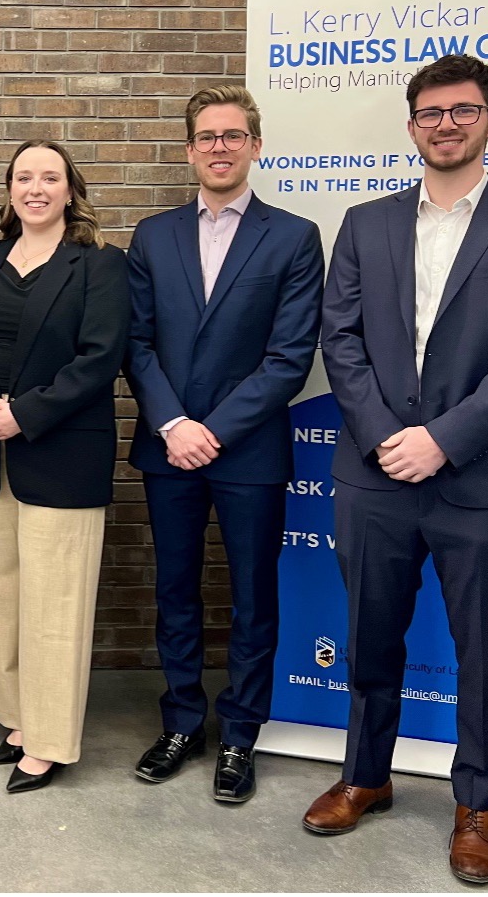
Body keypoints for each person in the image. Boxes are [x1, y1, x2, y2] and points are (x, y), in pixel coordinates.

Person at [303, 54, 488, 885]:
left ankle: (477, 804)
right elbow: (340, 339)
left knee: (485, 650)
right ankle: (366, 774)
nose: (446, 124)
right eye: (431, 112)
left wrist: (443, 439)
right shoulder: (365, 222)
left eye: (463, 111)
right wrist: (392, 434)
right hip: (374, 469)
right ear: (412, 124)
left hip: (484, 478)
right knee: (369, 635)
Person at [124, 86, 324, 803]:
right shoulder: (152, 235)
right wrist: (176, 425)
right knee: (175, 589)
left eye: (233, 135)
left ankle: (241, 732)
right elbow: (138, 343)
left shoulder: (294, 236)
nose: (219, 147)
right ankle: (183, 721)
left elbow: (290, 356)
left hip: (250, 451)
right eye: (206, 136)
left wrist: (214, 429)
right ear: (189, 150)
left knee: (251, 597)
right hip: (168, 447)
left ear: (255, 147)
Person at [0, 140, 130, 793]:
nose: (36, 188)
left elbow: (99, 359)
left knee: (54, 604)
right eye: (24, 177)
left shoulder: (98, 265)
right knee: (3, 596)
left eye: (50, 177)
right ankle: (19, 718)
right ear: (9, 189)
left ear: (70, 190)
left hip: (61, 452)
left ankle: (52, 739)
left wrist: (24, 413)